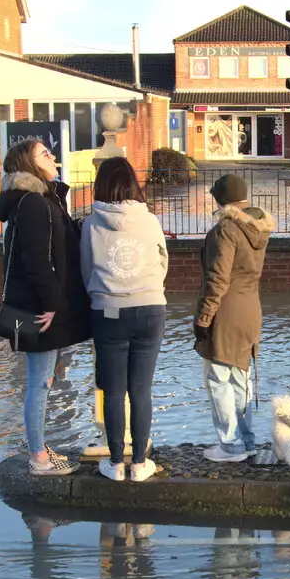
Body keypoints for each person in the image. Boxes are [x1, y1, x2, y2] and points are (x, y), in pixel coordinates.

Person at [0, 138, 92, 475]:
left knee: (42, 379)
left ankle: (38, 446)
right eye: (44, 154)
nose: (52, 157)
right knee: (40, 382)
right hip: (37, 309)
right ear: (29, 165)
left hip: (33, 305)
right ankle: (38, 458)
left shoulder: (40, 200)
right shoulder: (33, 203)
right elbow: (36, 260)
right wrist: (52, 305)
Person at [81, 156, 168, 482]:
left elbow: (85, 269)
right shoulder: (150, 221)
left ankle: (116, 463)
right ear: (133, 182)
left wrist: (103, 293)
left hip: (108, 311)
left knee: (114, 391)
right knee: (141, 390)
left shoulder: (91, 224)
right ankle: (141, 463)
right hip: (150, 308)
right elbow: (163, 262)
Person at [193, 173, 275, 462]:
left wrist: (203, 318)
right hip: (251, 309)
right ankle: (247, 440)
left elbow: (217, 279)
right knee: (241, 378)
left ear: (219, 199)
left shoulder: (225, 230)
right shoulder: (258, 230)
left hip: (226, 311)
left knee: (218, 378)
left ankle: (230, 445)